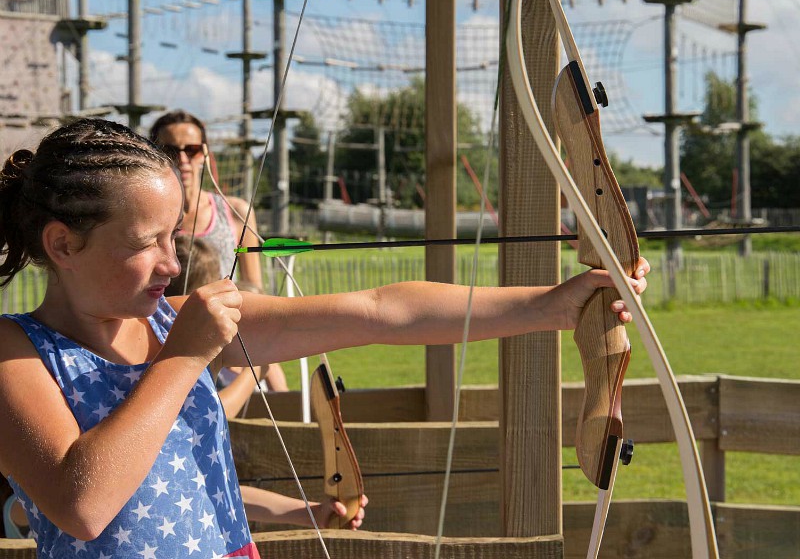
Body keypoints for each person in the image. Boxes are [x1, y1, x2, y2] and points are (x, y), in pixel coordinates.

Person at [0, 119, 648, 558]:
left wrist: (554, 305)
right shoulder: (15, 351)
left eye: (175, 238)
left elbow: (379, 310)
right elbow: (84, 502)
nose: (173, 265)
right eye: (147, 245)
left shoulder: (176, 322)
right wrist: (187, 358)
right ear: (62, 244)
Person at [165, 235, 288, 404]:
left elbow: (285, 398)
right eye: (211, 283)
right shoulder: (190, 342)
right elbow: (217, 408)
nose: (220, 286)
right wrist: (256, 371)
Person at [148, 110, 263, 291]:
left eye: (192, 150)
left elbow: (254, 288)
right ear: (155, 154)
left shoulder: (236, 212)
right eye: (171, 151)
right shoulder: (145, 214)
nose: (183, 159)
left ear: (204, 153)